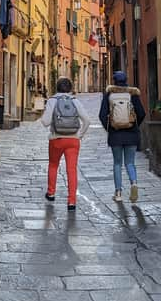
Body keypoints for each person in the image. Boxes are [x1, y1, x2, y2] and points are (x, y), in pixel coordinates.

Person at [39, 77, 90, 211]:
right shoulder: (75, 101)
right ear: (70, 88)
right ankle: (72, 201)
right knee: (71, 170)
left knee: (53, 165)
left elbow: (45, 122)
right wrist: (80, 135)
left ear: (57, 87)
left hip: (57, 139)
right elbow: (87, 120)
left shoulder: (52, 100)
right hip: (73, 140)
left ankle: (51, 193)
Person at [99, 71, 146, 203]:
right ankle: (134, 183)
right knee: (130, 162)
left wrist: (110, 128)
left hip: (115, 135)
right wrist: (134, 125)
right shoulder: (133, 94)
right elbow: (141, 113)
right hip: (131, 134)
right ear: (126, 80)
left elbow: (102, 115)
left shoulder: (109, 94)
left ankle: (118, 193)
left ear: (114, 81)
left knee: (117, 164)